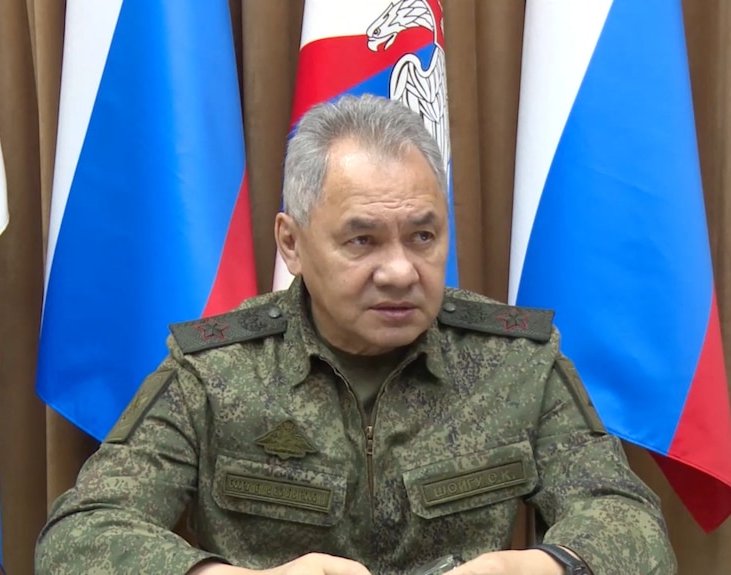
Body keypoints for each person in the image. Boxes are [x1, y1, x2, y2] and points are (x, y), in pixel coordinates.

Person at [35, 94, 676, 575]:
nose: (400, 271)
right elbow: (79, 536)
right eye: (362, 240)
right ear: (292, 242)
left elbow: (634, 526)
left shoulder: (514, 362)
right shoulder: (216, 371)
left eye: (423, 237)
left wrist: (540, 566)